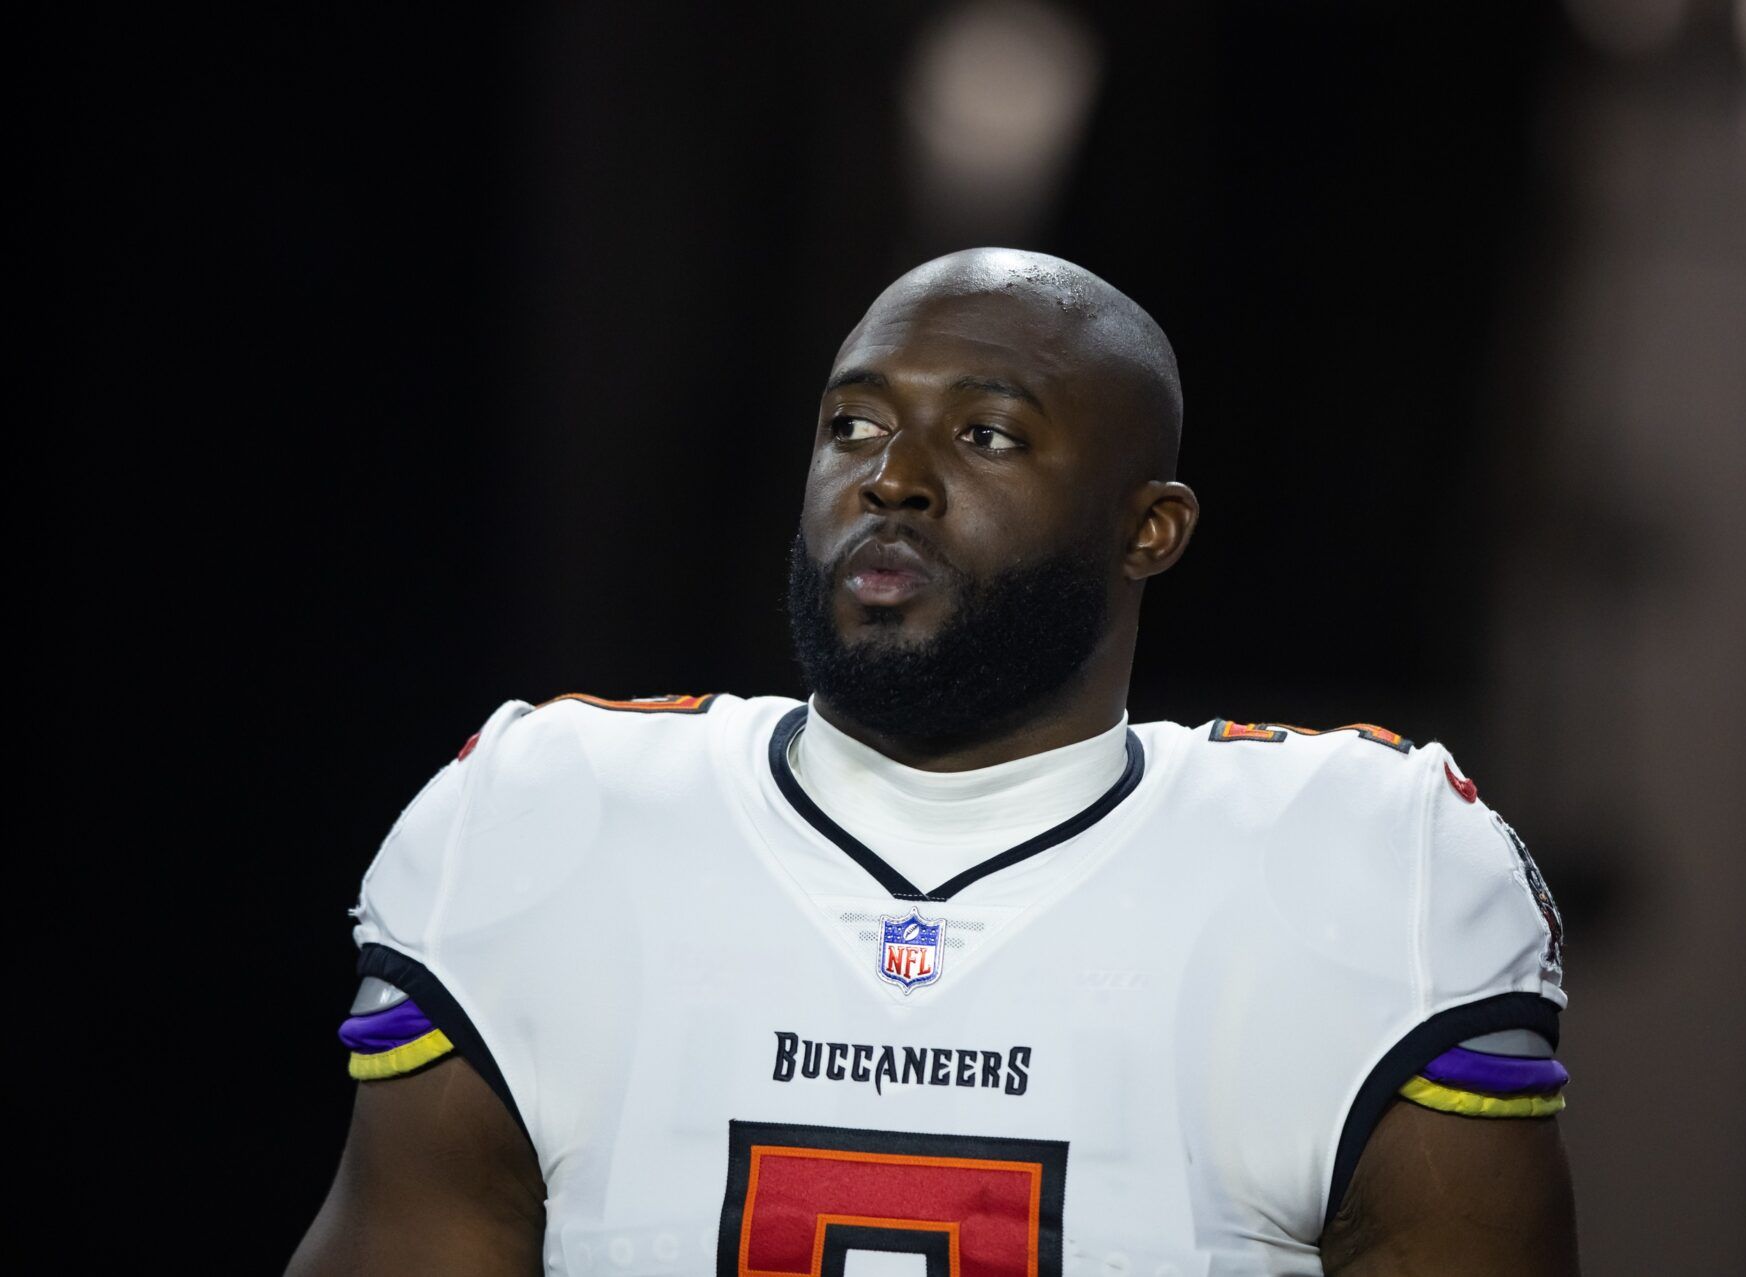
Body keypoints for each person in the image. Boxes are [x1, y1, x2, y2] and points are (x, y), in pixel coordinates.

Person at [289, 248, 1577, 1276]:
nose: (891, 479)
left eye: (988, 436)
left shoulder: (1374, 870)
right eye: (853, 426)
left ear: (1152, 529)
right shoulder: (541, 819)